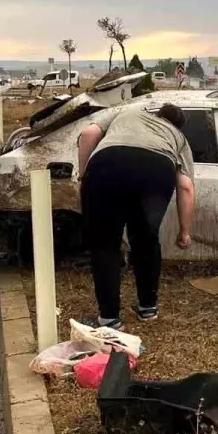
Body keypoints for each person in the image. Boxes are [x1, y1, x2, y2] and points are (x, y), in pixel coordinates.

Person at [76, 103, 195, 330]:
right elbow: (186, 186)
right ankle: (147, 308)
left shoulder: (129, 110)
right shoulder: (178, 137)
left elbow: (88, 133)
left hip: (107, 164)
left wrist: (83, 174)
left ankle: (110, 318)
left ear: (158, 113)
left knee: (105, 245)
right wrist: (185, 231)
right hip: (156, 169)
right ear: (178, 126)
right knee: (146, 240)